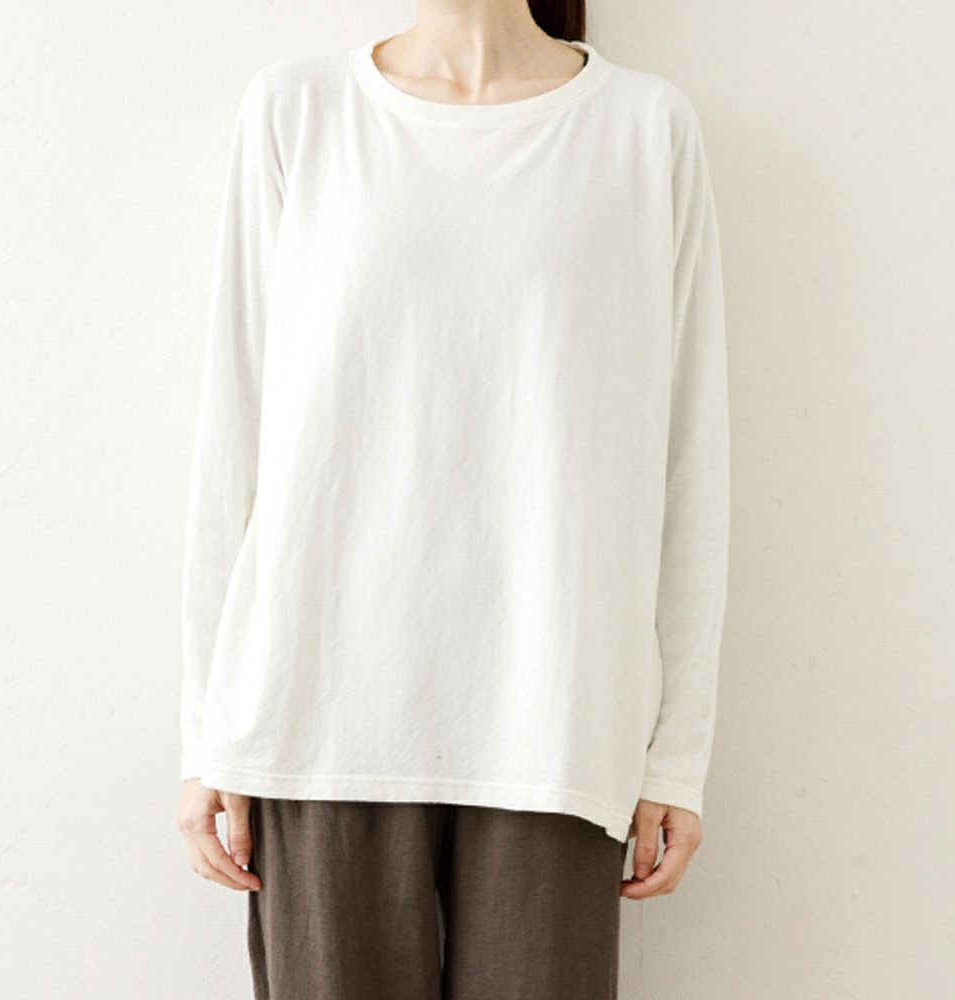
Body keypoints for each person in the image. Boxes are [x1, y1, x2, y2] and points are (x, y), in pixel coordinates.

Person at [175, 2, 730, 997]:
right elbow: (235, 431)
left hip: (557, 719)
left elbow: (687, 454)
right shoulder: (299, 111)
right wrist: (211, 731)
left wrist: (674, 756)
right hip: (321, 715)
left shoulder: (643, 128)